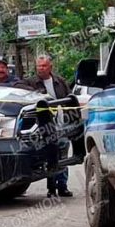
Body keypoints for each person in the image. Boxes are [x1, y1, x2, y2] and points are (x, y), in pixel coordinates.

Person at [16, 54, 72, 198]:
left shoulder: (60, 82)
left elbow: (69, 98)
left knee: (63, 155)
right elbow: (17, 85)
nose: (41, 69)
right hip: (45, 128)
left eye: (44, 66)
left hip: (61, 125)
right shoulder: (32, 82)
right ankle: (51, 188)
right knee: (50, 156)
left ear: (50, 67)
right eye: (39, 66)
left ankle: (63, 186)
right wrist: (37, 93)